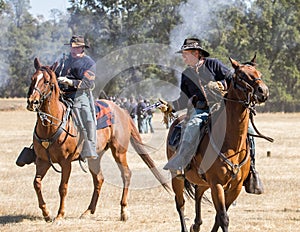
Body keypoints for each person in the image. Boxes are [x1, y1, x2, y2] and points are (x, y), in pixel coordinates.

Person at [159, 37, 263, 194]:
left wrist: (221, 85)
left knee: (249, 130)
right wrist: (170, 107)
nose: (183, 57)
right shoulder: (186, 74)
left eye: (185, 53)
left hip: (222, 108)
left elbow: (233, 79)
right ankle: (182, 163)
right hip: (200, 110)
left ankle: (252, 170)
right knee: (192, 126)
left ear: (196, 53)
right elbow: (183, 100)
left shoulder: (214, 64)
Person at [56, 35, 98, 160]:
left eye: (76, 48)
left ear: (82, 48)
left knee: (87, 117)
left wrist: (69, 82)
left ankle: (90, 146)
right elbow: (55, 73)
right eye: (71, 47)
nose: (73, 50)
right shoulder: (64, 60)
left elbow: (87, 84)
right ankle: (36, 147)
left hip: (79, 96)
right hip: (61, 95)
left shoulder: (89, 63)